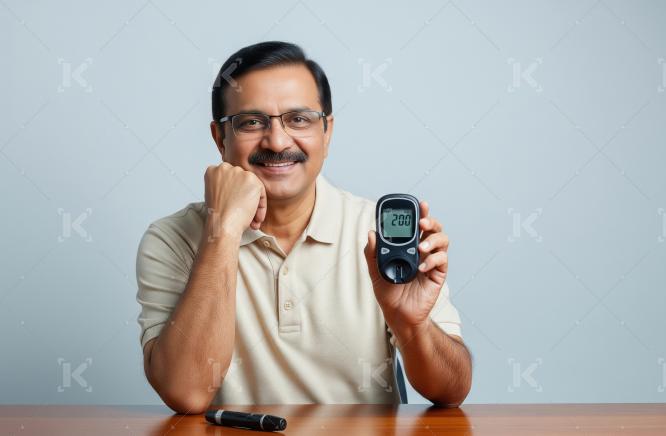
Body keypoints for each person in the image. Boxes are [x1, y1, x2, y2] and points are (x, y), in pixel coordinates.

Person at [135, 41, 472, 413]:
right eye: (251, 122)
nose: (277, 141)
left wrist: (412, 325)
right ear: (220, 139)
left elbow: (451, 391)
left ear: (326, 132)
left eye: (299, 119)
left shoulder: (378, 234)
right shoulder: (170, 239)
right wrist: (223, 231)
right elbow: (186, 393)